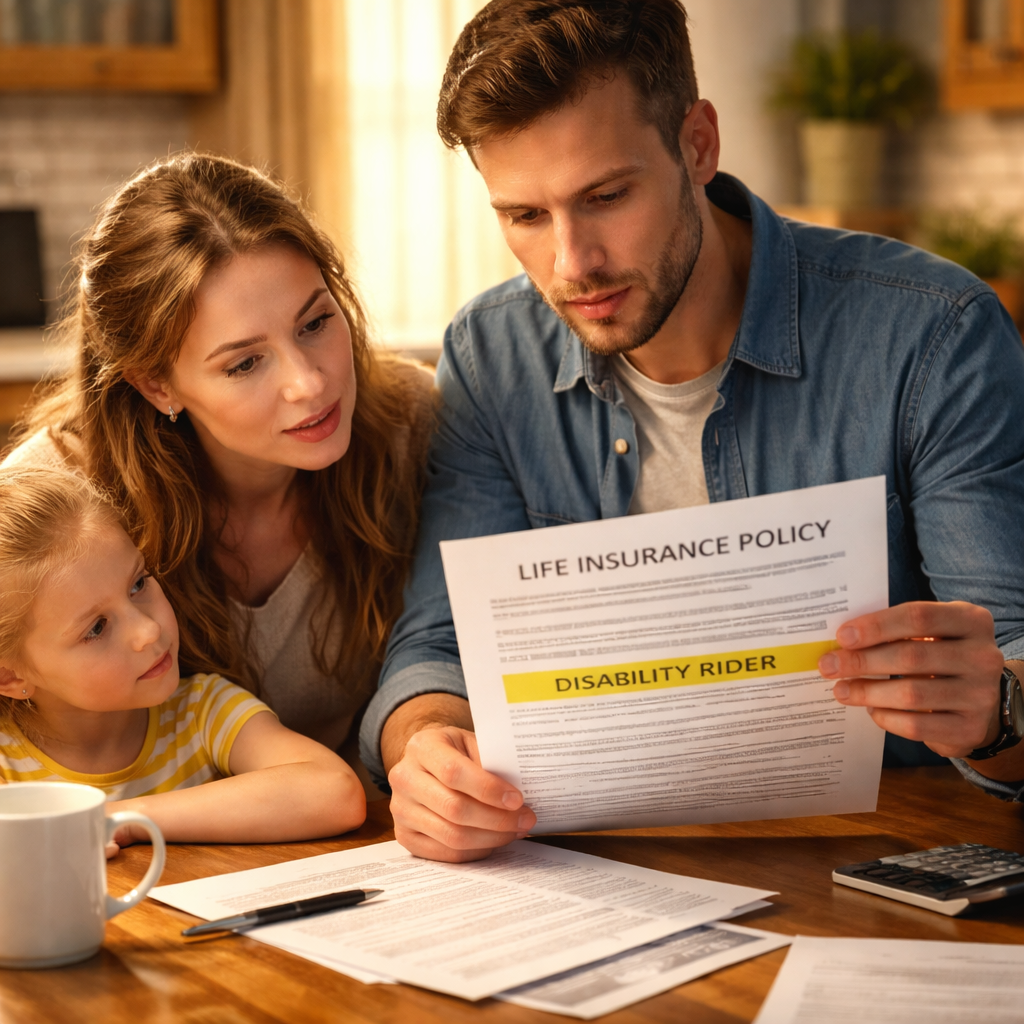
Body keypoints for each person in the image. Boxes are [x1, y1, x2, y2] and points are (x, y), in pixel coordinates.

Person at [360, 0, 1024, 862]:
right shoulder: (488, 358)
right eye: (524, 216)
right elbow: (437, 647)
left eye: (606, 196)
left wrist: (1000, 707)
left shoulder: (932, 334)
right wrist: (425, 750)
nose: (573, 264)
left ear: (699, 145)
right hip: (597, 882)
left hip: (893, 863)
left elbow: (1009, 645)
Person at [5, 154, 432, 792]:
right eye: (244, 364)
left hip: (368, 837)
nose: (308, 383)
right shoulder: (59, 499)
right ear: (155, 385)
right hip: (154, 866)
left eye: (315, 322)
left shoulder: (412, 423)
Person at [0, 466, 364, 853]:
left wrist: (118, 819)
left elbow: (335, 792)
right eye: (96, 628)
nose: (148, 631)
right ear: (9, 675)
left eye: (138, 584)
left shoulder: (200, 712)